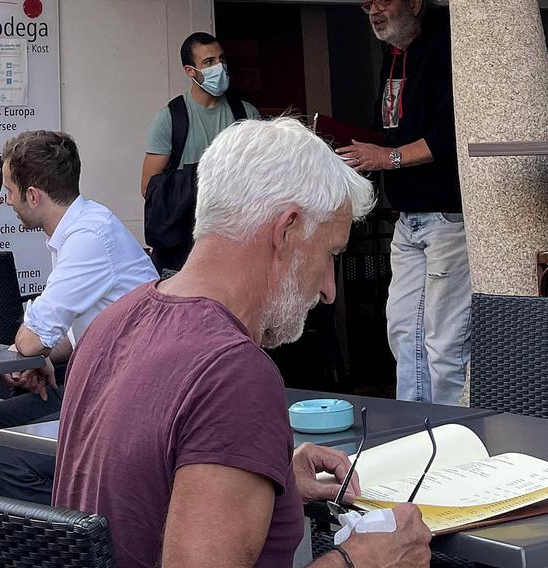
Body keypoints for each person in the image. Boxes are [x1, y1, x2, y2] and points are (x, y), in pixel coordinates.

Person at [53, 118, 431, 567]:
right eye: (330, 254)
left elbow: (142, 485)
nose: (330, 289)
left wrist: (266, 475)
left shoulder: (113, 321)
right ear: (287, 229)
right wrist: (362, 561)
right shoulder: (232, 370)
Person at [0, 130, 158, 503]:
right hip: (99, 384)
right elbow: (69, 334)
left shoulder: (89, 237)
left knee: (7, 460)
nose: (7, 201)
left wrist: (35, 351)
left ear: (34, 195)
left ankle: (68, 538)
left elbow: (32, 338)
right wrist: (44, 359)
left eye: (12, 192)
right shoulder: (76, 231)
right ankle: (2, 539)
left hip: (126, 400)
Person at [336, 0, 469, 405]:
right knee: (403, 331)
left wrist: (386, 157)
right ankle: (415, 427)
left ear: (413, 2)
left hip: (447, 214)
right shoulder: (393, 55)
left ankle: (450, 438)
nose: (372, 10)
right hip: (408, 216)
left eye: (381, 1)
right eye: (365, 4)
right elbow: (391, 132)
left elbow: (451, 135)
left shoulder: (445, 45)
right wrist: (363, 150)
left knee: (443, 342)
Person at [140, 31, 259, 273]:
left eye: (221, 59)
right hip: (184, 246)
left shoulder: (246, 115)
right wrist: (200, 181)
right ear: (190, 71)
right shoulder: (171, 118)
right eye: (209, 62)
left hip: (237, 242)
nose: (220, 67)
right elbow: (148, 187)